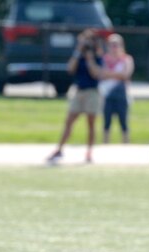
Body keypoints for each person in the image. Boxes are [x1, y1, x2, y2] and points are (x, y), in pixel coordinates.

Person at [47, 29, 103, 165]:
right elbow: (70, 69)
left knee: (90, 123)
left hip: (92, 92)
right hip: (79, 91)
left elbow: (96, 74)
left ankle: (89, 152)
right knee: (69, 121)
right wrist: (78, 52)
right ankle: (59, 149)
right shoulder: (78, 56)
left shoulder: (97, 56)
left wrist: (90, 58)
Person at [98, 34, 134, 144]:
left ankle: (125, 144)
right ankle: (105, 143)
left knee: (123, 121)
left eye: (116, 45)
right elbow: (101, 74)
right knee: (106, 121)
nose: (114, 47)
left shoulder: (126, 59)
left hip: (121, 94)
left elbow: (126, 75)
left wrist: (109, 74)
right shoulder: (104, 59)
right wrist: (118, 75)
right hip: (106, 94)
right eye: (111, 45)